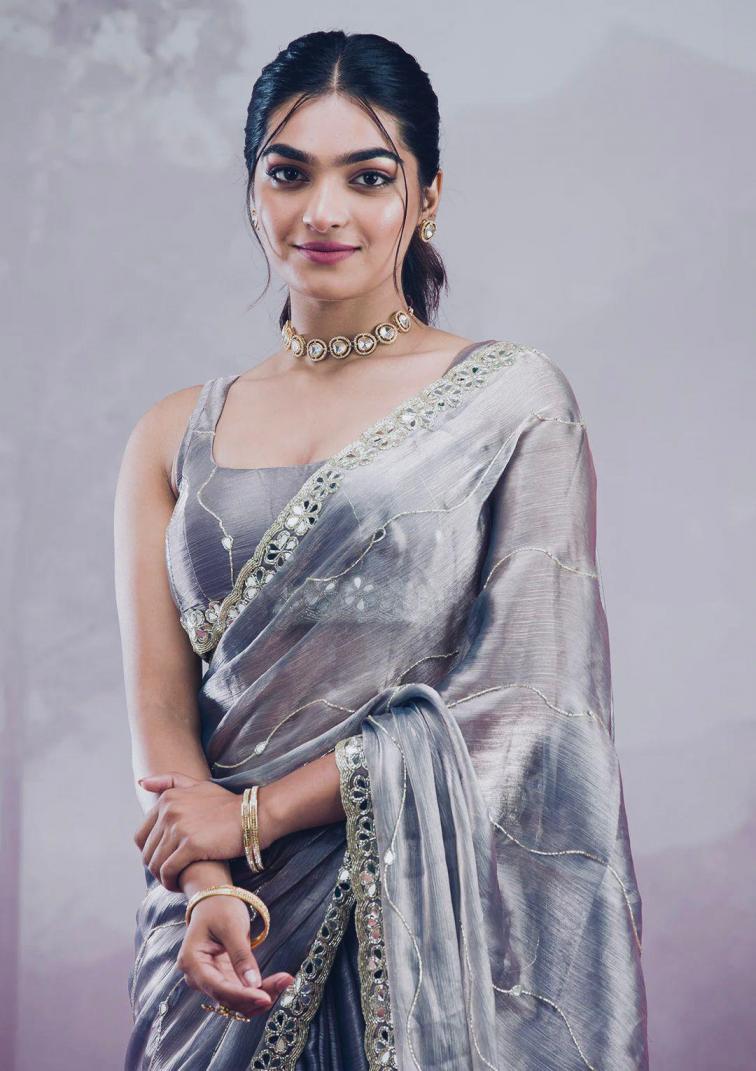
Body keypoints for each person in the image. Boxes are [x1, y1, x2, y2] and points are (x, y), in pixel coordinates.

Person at [115, 28, 649, 1071]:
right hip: (219, 938)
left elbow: (527, 706)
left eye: (367, 177)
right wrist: (210, 886)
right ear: (253, 189)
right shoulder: (170, 435)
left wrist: (255, 817)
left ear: (428, 195)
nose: (323, 212)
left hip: (431, 937)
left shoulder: (509, 401)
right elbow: (162, 721)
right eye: (289, 173)